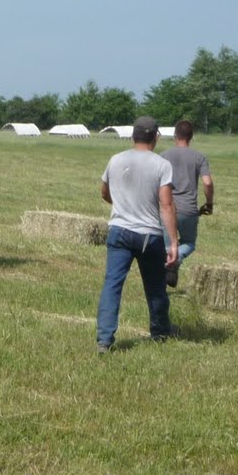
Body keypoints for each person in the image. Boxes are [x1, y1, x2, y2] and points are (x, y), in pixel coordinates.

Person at [96, 116, 179, 351]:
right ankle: (160, 331)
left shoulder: (116, 159)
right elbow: (166, 205)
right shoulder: (162, 165)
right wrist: (173, 242)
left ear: (133, 136)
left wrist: (120, 205)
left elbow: (104, 192)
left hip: (119, 231)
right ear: (156, 137)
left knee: (112, 285)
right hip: (149, 236)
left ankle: (104, 339)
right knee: (155, 287)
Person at [160, 119, 214, 288]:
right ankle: (179, 258)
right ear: (191, 136)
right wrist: (209, 202)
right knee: (189, 243)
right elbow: (207, 182)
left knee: (167, 246)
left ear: (175, 135)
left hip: (168, 208)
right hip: (189, 210)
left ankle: (167, 265)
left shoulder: (163, 155)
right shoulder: (199, 157)